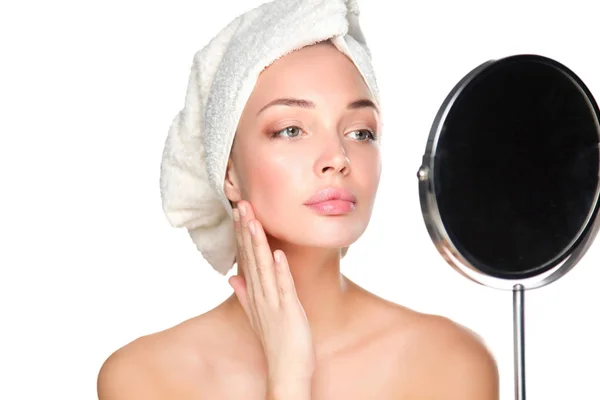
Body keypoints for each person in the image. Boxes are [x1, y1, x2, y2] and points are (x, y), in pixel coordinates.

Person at [97, 1, 499, 399]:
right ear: (228, 172)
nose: (337, 159)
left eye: (360, 132)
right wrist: (288, 375)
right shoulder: (144, 378)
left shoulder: (448, 364)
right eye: (290, 130)